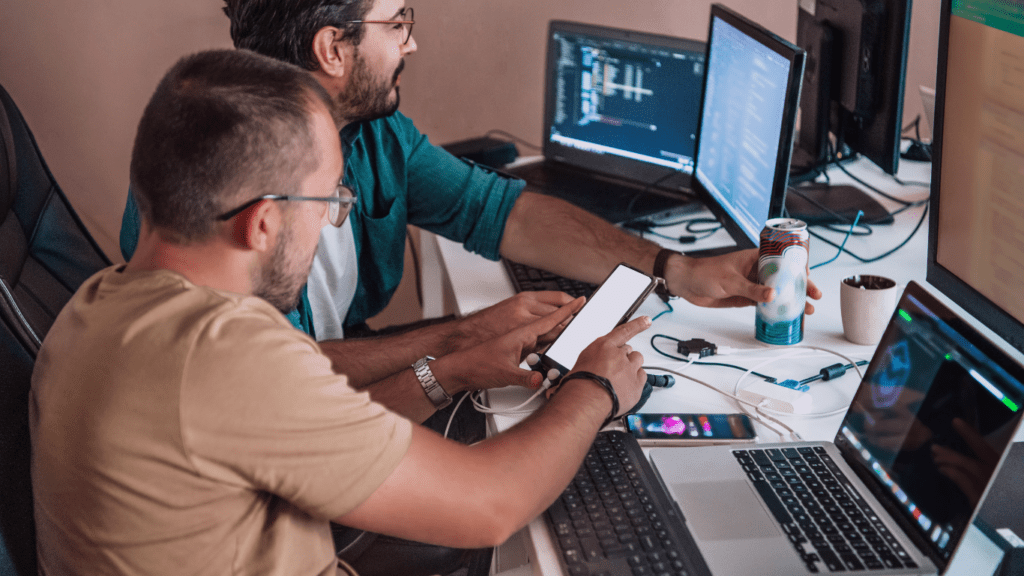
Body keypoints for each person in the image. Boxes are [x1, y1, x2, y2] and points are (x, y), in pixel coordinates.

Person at [31, 49, 651, 575]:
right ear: (263, 223)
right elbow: (490, 506)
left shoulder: (103, 306)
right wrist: (596, 386)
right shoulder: (224, 359)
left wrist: (454, 369)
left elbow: (304, 425)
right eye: (329, 201)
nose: (334, 218)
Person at [117, 0, 822, 389]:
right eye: (398, 22)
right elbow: (264, 377)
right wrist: (464, 342)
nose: (411, 44)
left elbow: (498, 209)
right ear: (334, 49)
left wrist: (670, 267)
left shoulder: (373, 134)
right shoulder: (214, 182)